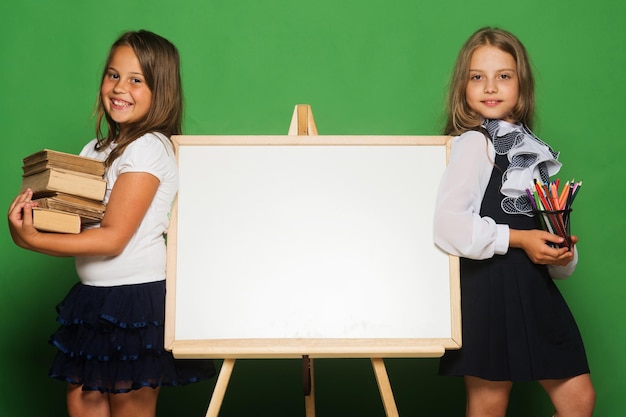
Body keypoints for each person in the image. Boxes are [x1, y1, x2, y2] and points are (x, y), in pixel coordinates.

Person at [8, 30, 215, 417]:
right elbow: (79, 224)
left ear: (161, 90)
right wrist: (31, 224)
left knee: (128, 407)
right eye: (112, 75)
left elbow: (112, 238)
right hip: (93, 296)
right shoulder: (96, 149)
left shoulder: (148, 148)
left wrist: (34, 240)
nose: (120, 88)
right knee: (83, 401)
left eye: (137, 80)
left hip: (134, 297)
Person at [433, 27, 595, 417]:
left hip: (532, 286)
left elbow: (546, 235)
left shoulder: (527, 147)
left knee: (578, 398)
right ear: (463, 88)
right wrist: (521, 240)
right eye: (478, 77)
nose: (491, 87)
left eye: (503, 76)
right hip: (487, 289)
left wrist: (561, 255)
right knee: (489, 403)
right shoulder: (474, 143)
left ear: (521, 86)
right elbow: (448, 225)